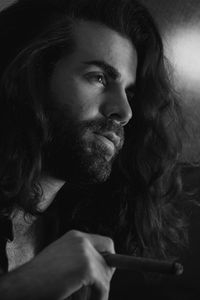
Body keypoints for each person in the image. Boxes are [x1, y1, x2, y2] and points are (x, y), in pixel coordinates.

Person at [0, 0, 188, 299]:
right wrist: (17, 290)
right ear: (29, 78)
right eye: (99, 77)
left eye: (129, 92)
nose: (124, 112)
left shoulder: (94, 232)